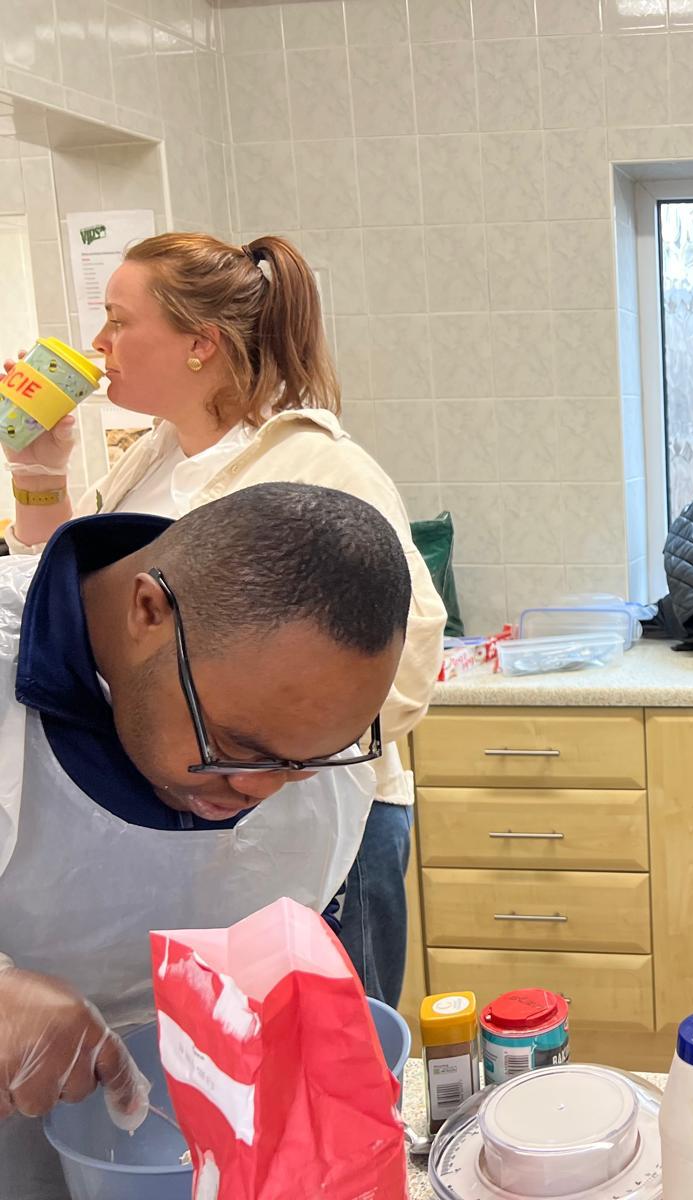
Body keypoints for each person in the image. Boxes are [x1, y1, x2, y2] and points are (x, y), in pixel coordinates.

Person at [2, 233, 446, 1009]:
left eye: (119, 320)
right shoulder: (154, 457)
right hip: (170, 820)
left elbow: (406, 657)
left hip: (300, 833)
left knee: (311, 1043)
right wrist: (40, 471)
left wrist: (263, 755)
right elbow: (60, 597)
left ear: (200, 343)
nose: (100, 343)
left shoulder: (313, 467)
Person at [0, 482, 411, 1196]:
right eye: (234, 745)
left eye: (304, 763)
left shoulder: (309, 743)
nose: (259, 788)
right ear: (147, 612)